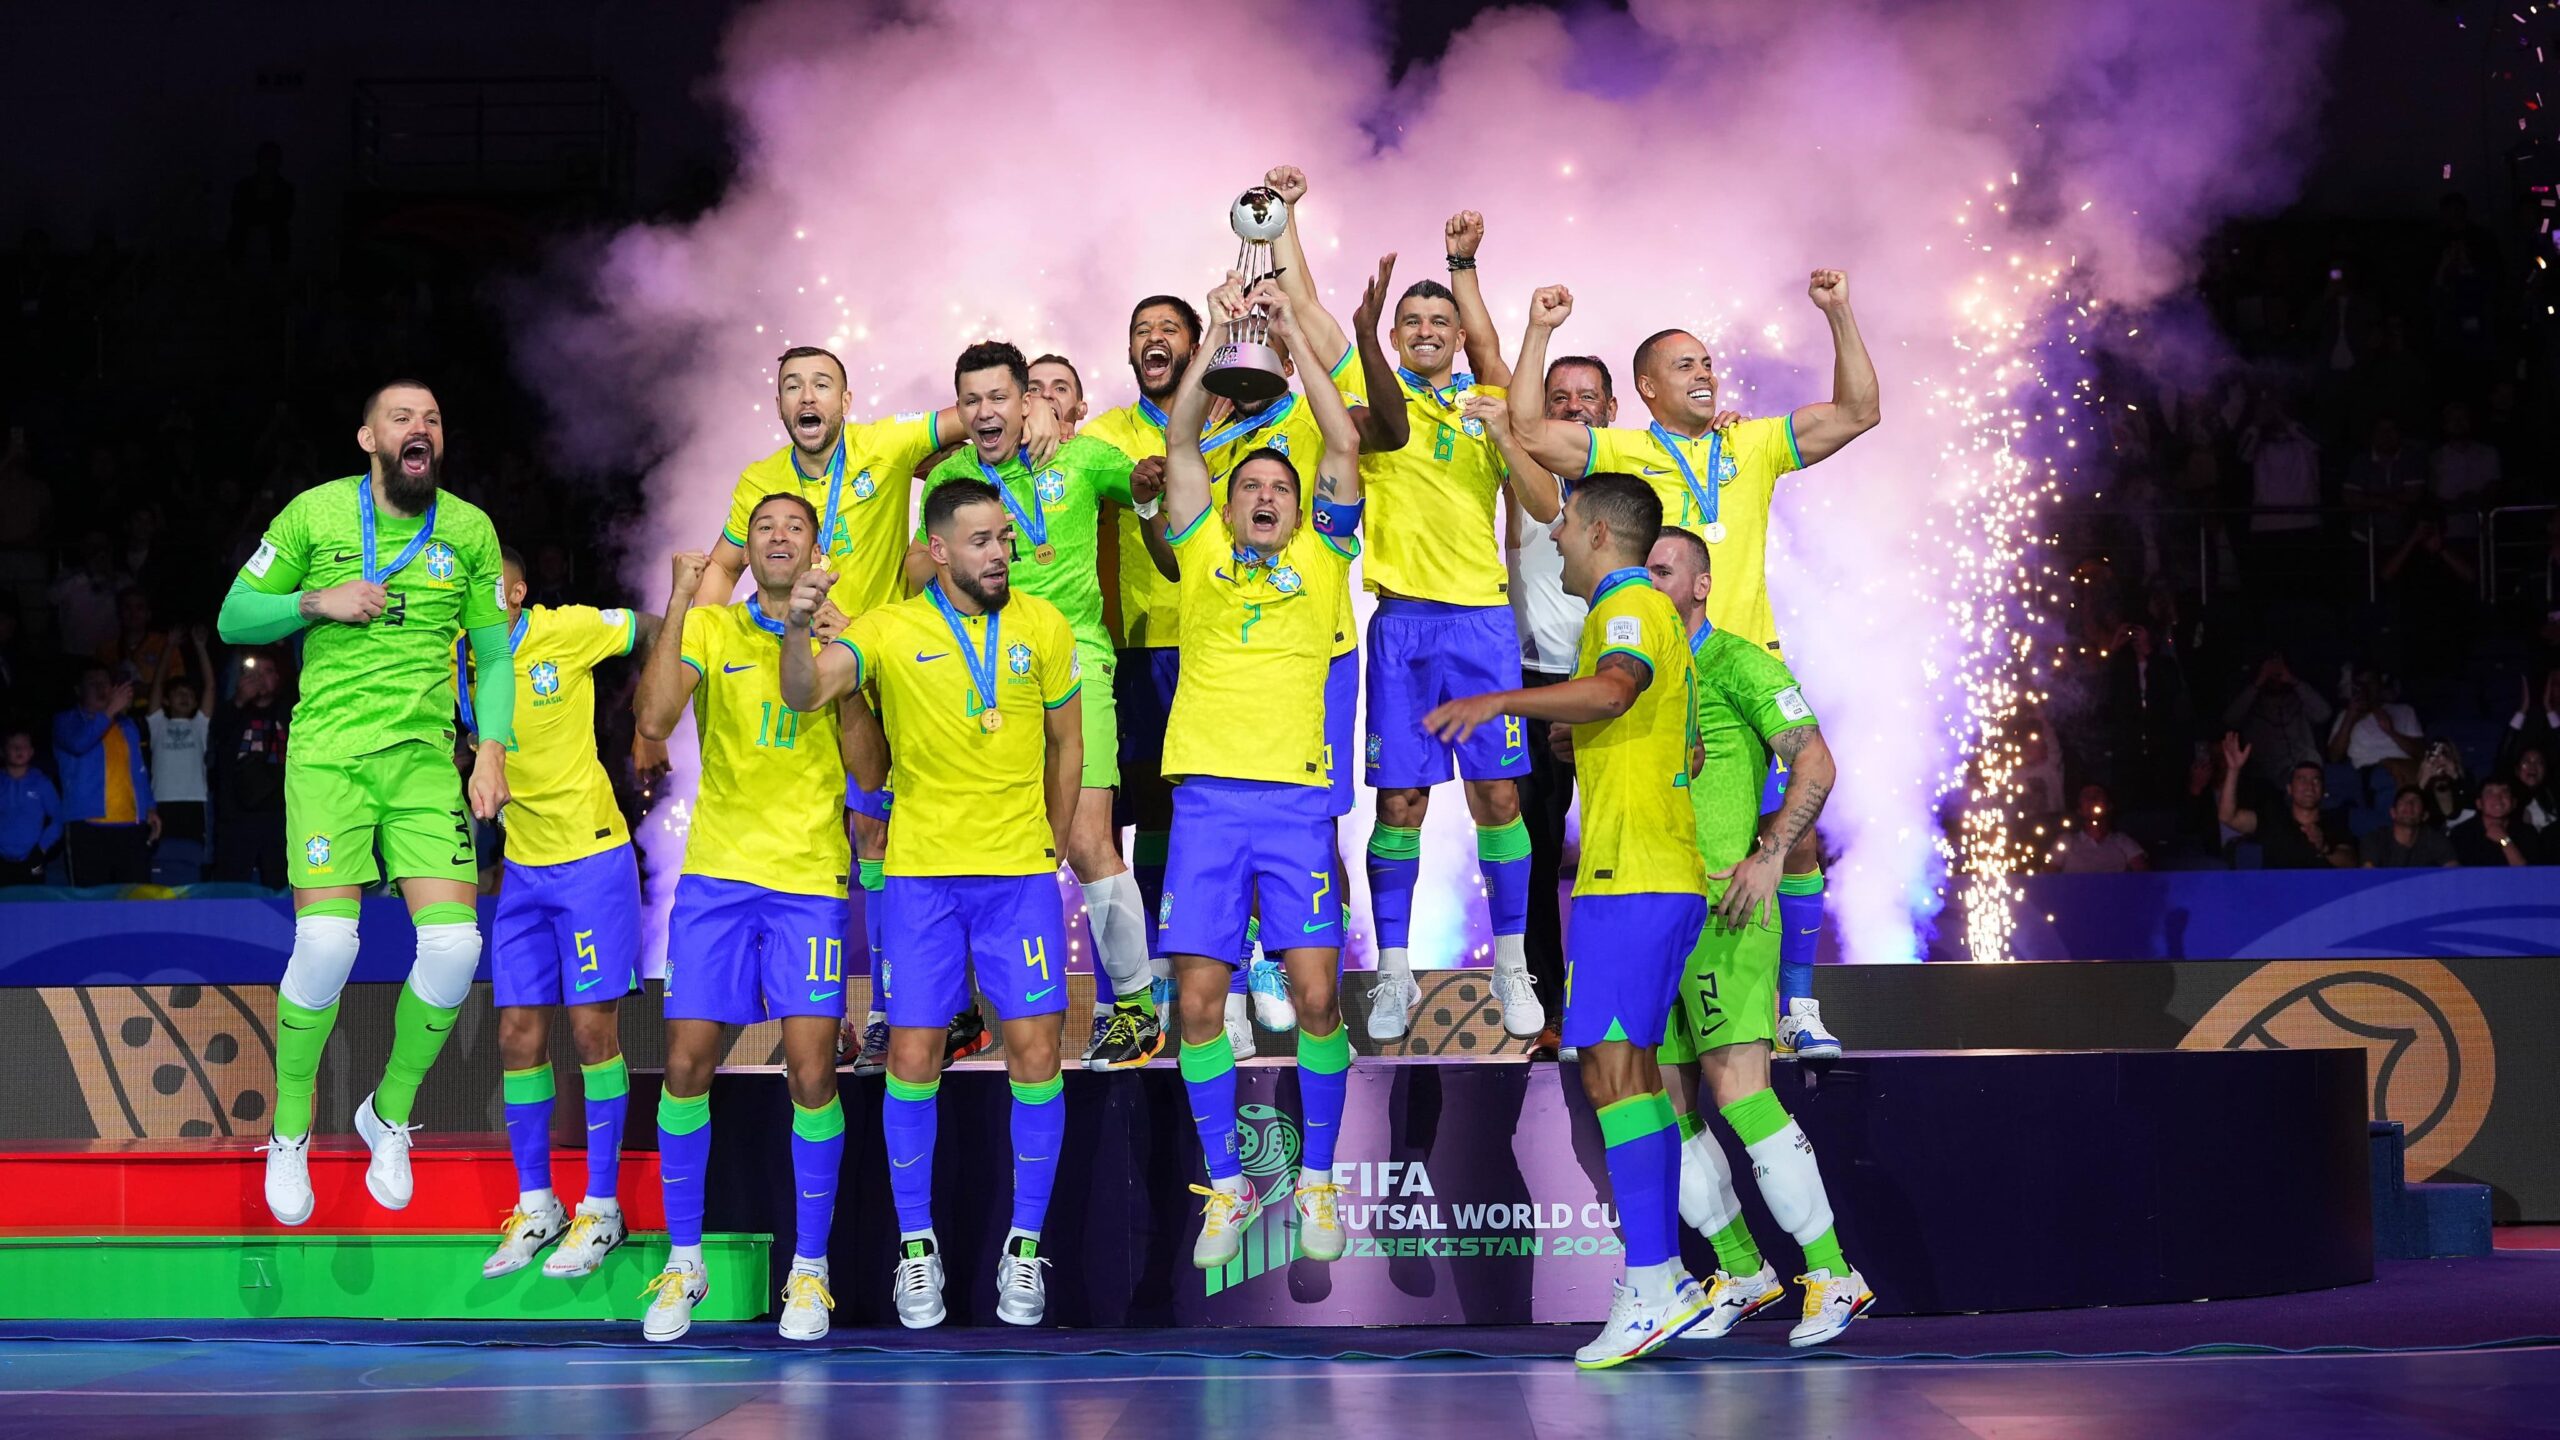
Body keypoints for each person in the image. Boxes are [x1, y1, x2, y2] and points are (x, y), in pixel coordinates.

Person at [1506, 272, 1880, 1059]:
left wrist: (1838, 311)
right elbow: (1533, 433)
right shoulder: (1627, 450)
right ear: (1645, 388)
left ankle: (1799, 1007)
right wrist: (1538, 329)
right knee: (1637, 837)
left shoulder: (1753, 443)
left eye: (1707, 362)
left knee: (1792, 834)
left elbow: (1859, 412)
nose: (1705, 373)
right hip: (1659, 675)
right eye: (1684, 366)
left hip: (1747, 669)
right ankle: (1630, 1007)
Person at [680, 346, 1057, 1081]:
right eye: (791, 385)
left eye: (821, 382)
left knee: (879, 831)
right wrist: (697, 657)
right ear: (779, 405)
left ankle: (900, 1008)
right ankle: (843, 1017)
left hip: (883, 672)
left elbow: (972, 414)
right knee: (820, 833)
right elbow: (724, 566)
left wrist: (1033, 405)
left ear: (846, 399)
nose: (806, 395)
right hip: (800, 669)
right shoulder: (759, 483)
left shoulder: (884, 444)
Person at [1419, 474, 1711, 1368]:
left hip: (1635, 880)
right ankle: (1664, 1278)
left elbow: (1618, 690)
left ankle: (1657, 1281)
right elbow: (1674, 735)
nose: (1551, 543)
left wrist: (1500, 702)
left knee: (1616, 1078)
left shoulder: (1626, 606)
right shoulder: (1643, 615)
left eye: (1562, 527)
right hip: (1651, 874)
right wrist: (1573, 734)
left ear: (1596, 533)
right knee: (1630, 1076)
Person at [784, 479, 1083, 1329]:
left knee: (1036, 1056)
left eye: (1006, 539)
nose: (1001, 553)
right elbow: (807, 692)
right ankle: (918, 1251)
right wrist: (801, 626)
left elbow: (1069, 742)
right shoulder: (888, 627)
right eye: (983, 540)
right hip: (919, 879)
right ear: (941, 549)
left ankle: (1024, 1251)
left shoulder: (1043, 626)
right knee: (912, 1058)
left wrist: (1053, 841)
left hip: (1017, 878)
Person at [216, 379, 513, 1228]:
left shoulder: (469, 530)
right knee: (327, 944)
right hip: (328, 761)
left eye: (433, 418)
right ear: (368, 438)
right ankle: (290, 1131)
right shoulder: (313, 516)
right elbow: (236, 617)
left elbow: (493, 658)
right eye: (402, 419)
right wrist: (317, 601)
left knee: (456, 950)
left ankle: (386, 1113)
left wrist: (490, 747)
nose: (420, 428)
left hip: (423, 764)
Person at [1147, 277, 1366, 1274]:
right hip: (1203, 804)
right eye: (1252, 489)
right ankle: (1229, 1187)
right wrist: (1219, 338)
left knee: (1318, 1003)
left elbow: (1346, 444)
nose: (1267, 495)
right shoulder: (1198, 552)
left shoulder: (1326, 554)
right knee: (1196, 1008)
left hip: (1291, 808)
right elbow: (1185, 441)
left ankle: (1316, 1179)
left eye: (1279, 486)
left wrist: (1290, 339)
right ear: (1226, 509)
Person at [1636, 525, 1873, 1350]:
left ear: (1701, 584)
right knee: (1659, 1101)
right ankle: (1741, 1272)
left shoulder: (1743, 665)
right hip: (1643, 912)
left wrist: (1772, 853)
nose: (1646, 583)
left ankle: (1834, 1273)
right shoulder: (1629, 675)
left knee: (1740, 1091)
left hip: (1724, 912)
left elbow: (1816, 762)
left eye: (1662, 571)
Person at [1337, 206, 1557, 1045]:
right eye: (1413, 321)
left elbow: (1541, 505)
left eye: (1442, 321)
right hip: (1402, 629)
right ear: (1394, 337)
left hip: (1482, 628)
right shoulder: (1370, 402)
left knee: (1499, 796)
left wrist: (1505, 431)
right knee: (1400, 803)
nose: (1428, 330)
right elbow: (1351, 358)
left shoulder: (1488, 403)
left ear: (1460, 338)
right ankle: (1393, 976)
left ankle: (1511, 964)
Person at [634, 496, 850, 1344]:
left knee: (811, 1075)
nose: (779, 537)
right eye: (763, 528)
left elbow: (870, 765)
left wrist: (840, 653)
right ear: (747, 549)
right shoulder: (714, 629)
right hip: (720, 880)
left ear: (816, 546)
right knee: (685, 1065)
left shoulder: (845, 631)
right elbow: (652, 721)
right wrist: (685, 601)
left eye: (795, 527)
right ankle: (684, 1263)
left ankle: (810, 1270)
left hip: (805, 881)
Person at [911, 341, 1162, 1073]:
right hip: (987, 674)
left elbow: (1148, 485)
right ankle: (964, 1013)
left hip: (1076, 663)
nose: (986, 413)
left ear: (1029, 401)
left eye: (1000, 398)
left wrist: (1147, 476)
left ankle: (1136, 1011)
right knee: (970, 845)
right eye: (972, 402)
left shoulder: (1081, 458)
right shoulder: (952, 478)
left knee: (1087, 842)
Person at [478, 550, 656, 1283]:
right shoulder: (459, 659)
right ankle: (537, 1203)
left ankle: (603, 1208)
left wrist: (652, 718)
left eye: (485, 584)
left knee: (591, 1030)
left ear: (518, 590)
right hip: (522, 871)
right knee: (518, 1031)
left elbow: (648, 627)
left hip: (590, 860)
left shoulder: (568, 629)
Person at [52, 666, 158, 884]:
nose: (102, 688)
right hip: (87, 825)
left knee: (135, 899)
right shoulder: (66, 721)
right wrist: (108, 712)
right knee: (90, 902)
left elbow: (138, 769)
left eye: (106, 683)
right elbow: (79, 744)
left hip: (131, 824)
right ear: (78, 689)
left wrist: (149, 807)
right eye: (93, 683)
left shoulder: (127, 725)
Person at [207, 648, 290, 887]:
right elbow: (216, 736)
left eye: (268, 671)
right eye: (253, 672)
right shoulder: (231, 710)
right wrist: (240, 701)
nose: (261, 678)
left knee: (281, 884)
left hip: (280, 817)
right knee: (230, 886)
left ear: (278, 677)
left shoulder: (292, 712)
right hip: (236, 816)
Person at [2217, 735, 2352, 869]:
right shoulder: (2273, 817)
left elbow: (2350, 862)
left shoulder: (2334, 820)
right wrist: (2233, 770)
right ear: (2289, 789)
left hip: (2322, 888)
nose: (2309, 786)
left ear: (2323, 790)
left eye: (2316, 780)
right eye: (2302, 780)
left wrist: (2324, 847)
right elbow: (2227, 816)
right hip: (2279, 888)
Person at [144, 628, 215, 863]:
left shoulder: (199, 725)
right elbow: (157, 684)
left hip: (195, 801)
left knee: (194, 860)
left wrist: (201, 648)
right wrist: (169, 647)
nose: (184, 697)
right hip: (162, 800)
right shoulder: (157, 724)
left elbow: (211, 687)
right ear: (166, 700)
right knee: (159, 859)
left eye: (189, 694)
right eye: (178, 693)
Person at [2327, 669, 2422, 793]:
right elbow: (2334, 757)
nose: (2365, 689)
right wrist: (2350, 717)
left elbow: (2421, 752)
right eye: (2360, 684)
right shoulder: (2345, 716)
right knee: (2392, 771)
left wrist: (2391, 732)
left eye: (2370, 683)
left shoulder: (2404, 711)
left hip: (2408, 766)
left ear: (2379, 685)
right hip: (2372, 770)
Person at [0, 730, 62, 885]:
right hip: (1, 858)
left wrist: (42, 848)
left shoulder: (42, 783)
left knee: (35, 897)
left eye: (24, 745)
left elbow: (58, 817)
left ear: (32, 751)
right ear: (2, 752)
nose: (19, 749)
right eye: (13, 746)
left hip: (34, 859)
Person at [2450, 779, 2546, 866]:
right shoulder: (2462, 834)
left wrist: (2504, 840)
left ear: (2513, 803)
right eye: (2489, 793)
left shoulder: (2527, 833)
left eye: (2505, 792)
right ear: (2479, 803)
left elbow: (2528, 876)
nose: (2498, 798)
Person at [2362, 786, 2457, 869]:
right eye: (2403, 800)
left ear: (2424, 816)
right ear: (2393, 813)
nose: (2409, 804)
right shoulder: (2375, 840)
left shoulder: (2435, 840)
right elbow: (2368, 877)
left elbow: (2454, 875)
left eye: (2416, 801)